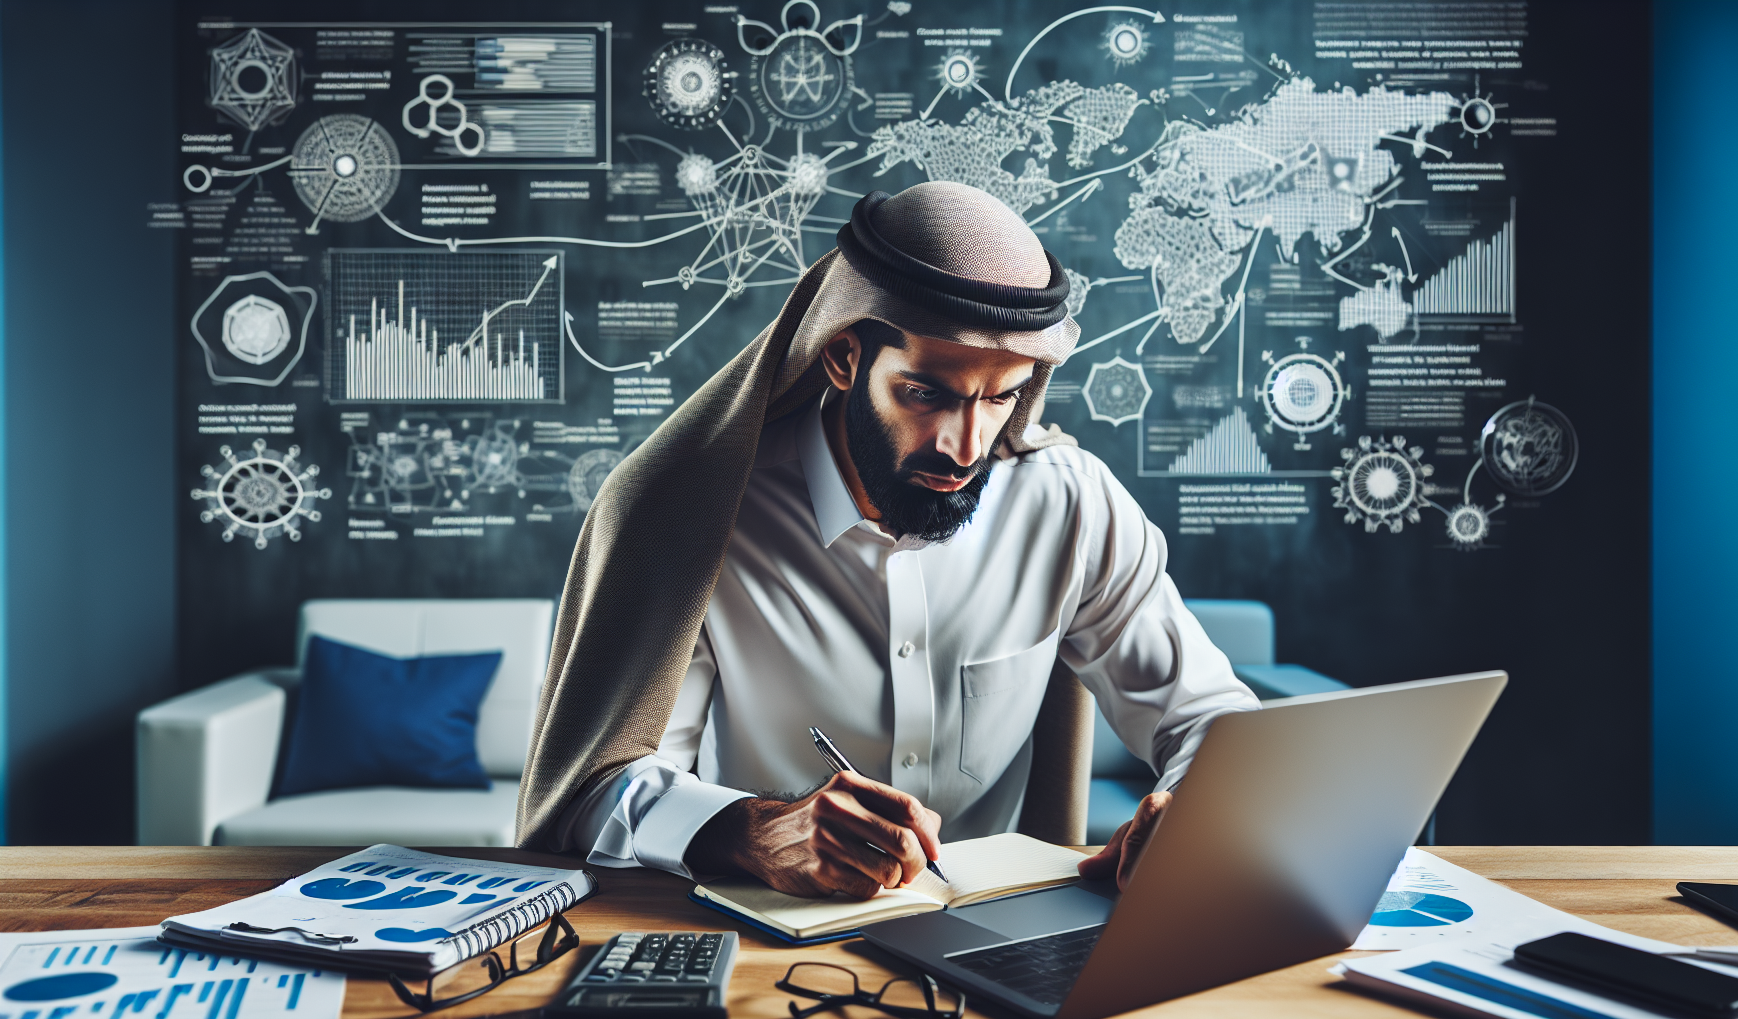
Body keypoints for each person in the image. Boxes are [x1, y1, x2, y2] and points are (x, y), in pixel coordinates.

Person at [516, 182, 1257, 898]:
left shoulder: (1070, 503)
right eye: (926, 393)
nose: (965, 446)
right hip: (765, 943)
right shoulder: (693, 518)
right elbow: (595, 791)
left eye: (1000, 397)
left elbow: (1209, 716)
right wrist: (751, 830)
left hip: (1004, 944)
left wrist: (1192, 802)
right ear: (843, 358)